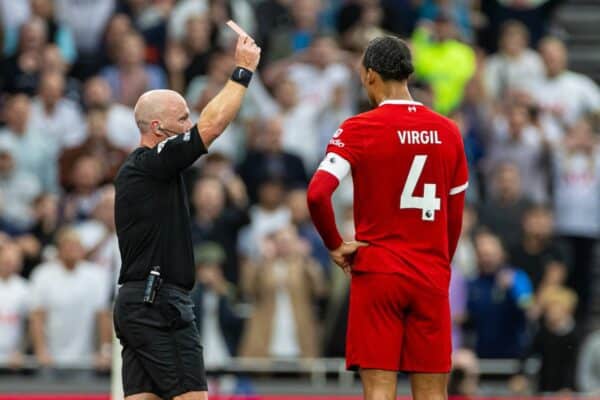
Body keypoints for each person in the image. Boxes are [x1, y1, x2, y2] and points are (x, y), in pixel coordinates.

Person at [307, 36, 468, 400]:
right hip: (430, 273)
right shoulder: (449, 131)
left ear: (369, 76)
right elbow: (454, 217)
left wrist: (335, 244)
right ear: (408, 74)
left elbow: (317, 194)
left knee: (380, 390)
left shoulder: (358, 129)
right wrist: (439, 263)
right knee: (432, 393)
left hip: (378, 271)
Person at [112, 33, 260, 400]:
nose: (189, 122)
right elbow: (210, 128)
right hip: (159, 302)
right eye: (182, 118)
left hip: (137, 302)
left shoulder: (144, 170)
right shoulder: (150, 163)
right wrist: (241, 70)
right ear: (158, 129)